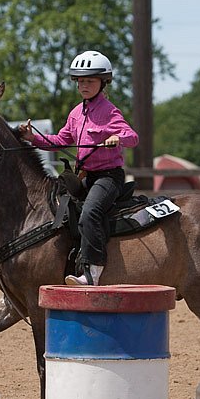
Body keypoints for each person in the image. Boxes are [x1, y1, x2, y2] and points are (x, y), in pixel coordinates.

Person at [19, 50, 139, 286]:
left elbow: (132, 136)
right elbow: (61, 140)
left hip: (108, 178)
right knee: (55, 209)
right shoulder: (76, 113)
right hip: (86, 176)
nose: (84, 85)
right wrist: (32, 139)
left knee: (89, 214)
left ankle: (92, 272)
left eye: (90, 80)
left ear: (103, 82)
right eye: (80, 81)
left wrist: (118, 137)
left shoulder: (110, 111)